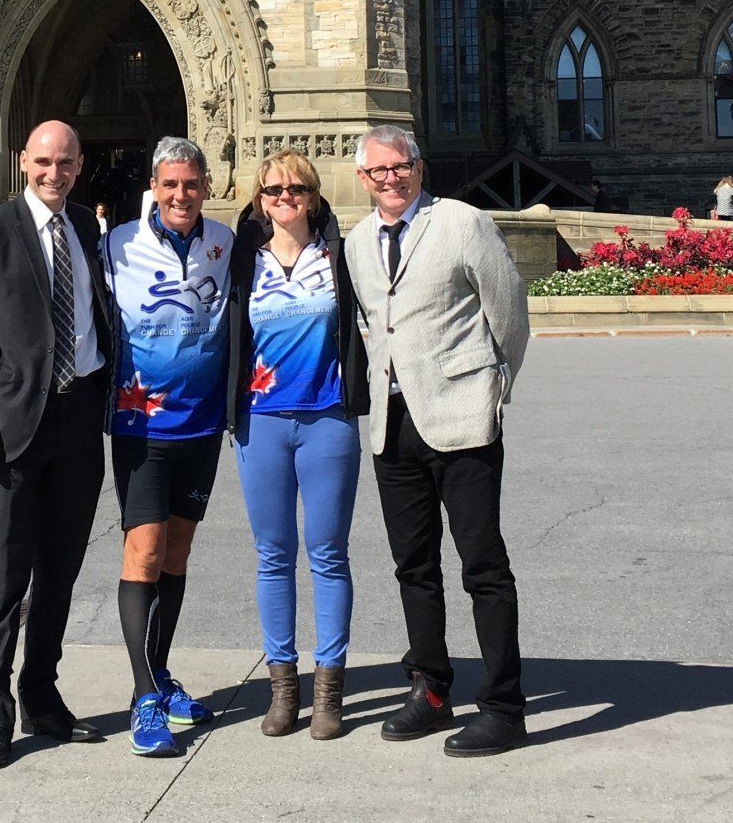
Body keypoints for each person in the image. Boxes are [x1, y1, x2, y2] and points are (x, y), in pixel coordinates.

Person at [344, 124, 531, 758]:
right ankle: (430, 687)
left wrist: (493, 388)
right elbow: (377, 322)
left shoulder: (461, 223)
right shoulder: (357, 241)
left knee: (483, 566)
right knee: (413, 566)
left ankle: (504, 705)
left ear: (418, 169)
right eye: (377, 172)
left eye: (399, 168)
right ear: (363, 179)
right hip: (392, 424)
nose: (389, 179)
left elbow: (508, 308)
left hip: (461, 417)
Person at [0, 121, 112, 770]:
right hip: (13, 427)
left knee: (59, 573)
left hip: (78, 421)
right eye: (44, 161)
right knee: (2, 578)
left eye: (66, 162)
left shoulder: (86, 224)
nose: (55, 172)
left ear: (79, 164)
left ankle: (41, 695)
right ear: (24, 161)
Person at [227, 149, 368, 741]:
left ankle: (329, 688)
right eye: (272, 190)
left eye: (295, 189)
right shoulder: (241, 263)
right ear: (258, 200)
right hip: (261, 422)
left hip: (327, 420)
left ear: (313, 195)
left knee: (328, 553)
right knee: (272, 554)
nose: (283, 198)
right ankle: (284, 689)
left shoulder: (339, 257)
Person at [103, 137, 233, 758]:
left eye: (191, 183)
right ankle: (142, 696)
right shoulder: (117, 243)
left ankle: (161, 675)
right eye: (170, 184)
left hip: (202, 426)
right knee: (145, 549)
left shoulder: (226, 243)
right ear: (153, 186)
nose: (181, 194)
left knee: (177, 552)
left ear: (206, 185)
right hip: (140, 426)